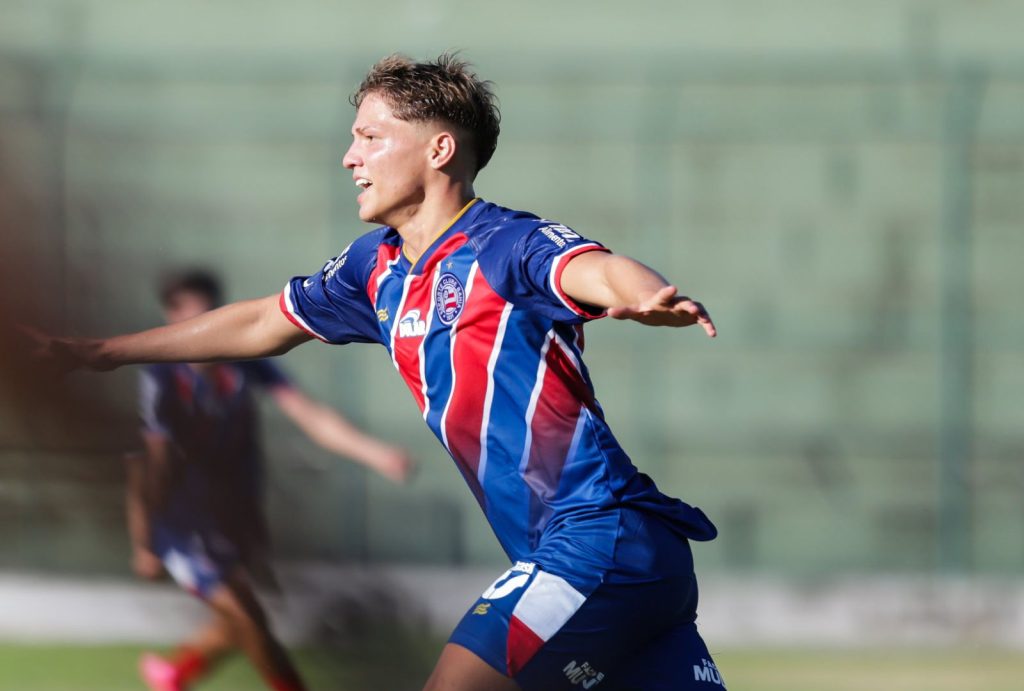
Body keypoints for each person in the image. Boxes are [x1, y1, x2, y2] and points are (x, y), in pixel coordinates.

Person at [41, 54, 725, 690]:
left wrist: (642, 295)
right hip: (614, 560)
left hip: (600, 539)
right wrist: (101, 351)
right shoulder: (377, 270)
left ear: (438, 149)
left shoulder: (503, 244)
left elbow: (591, 267)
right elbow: (258, 322)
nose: (350, 157)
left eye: (370, 137)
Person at [125, 269, 413, 691]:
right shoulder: (161, 378)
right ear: (173, 320)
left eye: (208, 314)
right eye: (189, 316)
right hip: (181, 523)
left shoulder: (245, 365)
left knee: (242, 618)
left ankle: (174, 674)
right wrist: (144, 540)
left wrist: (375, 453)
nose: (200, 328)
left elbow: (308, 414)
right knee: (246, 615)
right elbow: (149, 462)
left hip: (233, 517)